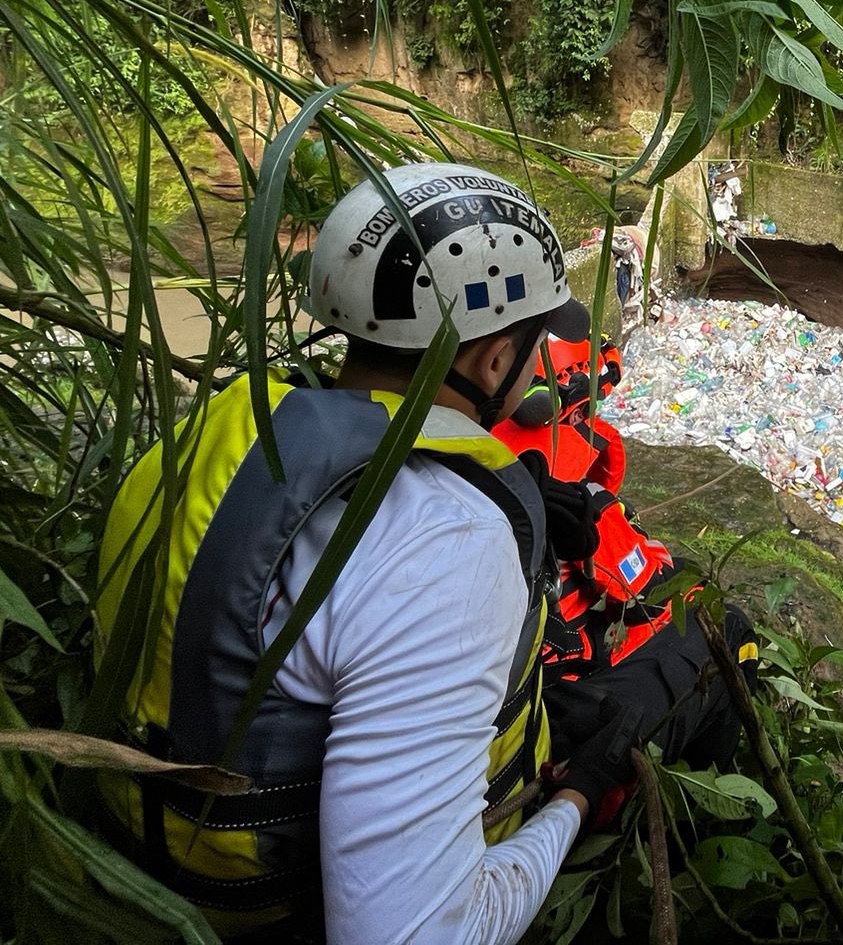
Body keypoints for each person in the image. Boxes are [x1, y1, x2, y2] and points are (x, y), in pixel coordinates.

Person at [94, 163, 638, 943]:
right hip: (269, 915)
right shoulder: (449, 544)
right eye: (533, 344)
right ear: (493, 361)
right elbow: (419, 934)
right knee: (665, 688)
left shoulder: (215, 426)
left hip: (150, 849)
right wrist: (573, 802)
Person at [490, 308, 759, 777]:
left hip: (485, 713)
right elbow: (639, 593)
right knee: (727, 628)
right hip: (544, 728)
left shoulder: (430, 454)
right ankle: (706, 802)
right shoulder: (561, 484)